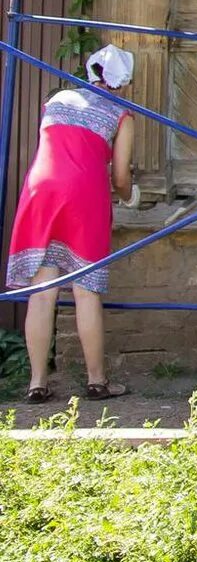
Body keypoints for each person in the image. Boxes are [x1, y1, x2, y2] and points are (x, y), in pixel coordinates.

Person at [6, 45, 136, 402]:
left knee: (42, 293)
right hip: (84, 195)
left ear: (91, 72)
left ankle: (36, 383)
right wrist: (129, 197)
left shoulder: (59, 98)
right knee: (85, 290)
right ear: (123, 83)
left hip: (41, 190)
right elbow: (121, 177)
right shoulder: (122, 113)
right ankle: (97, 381)